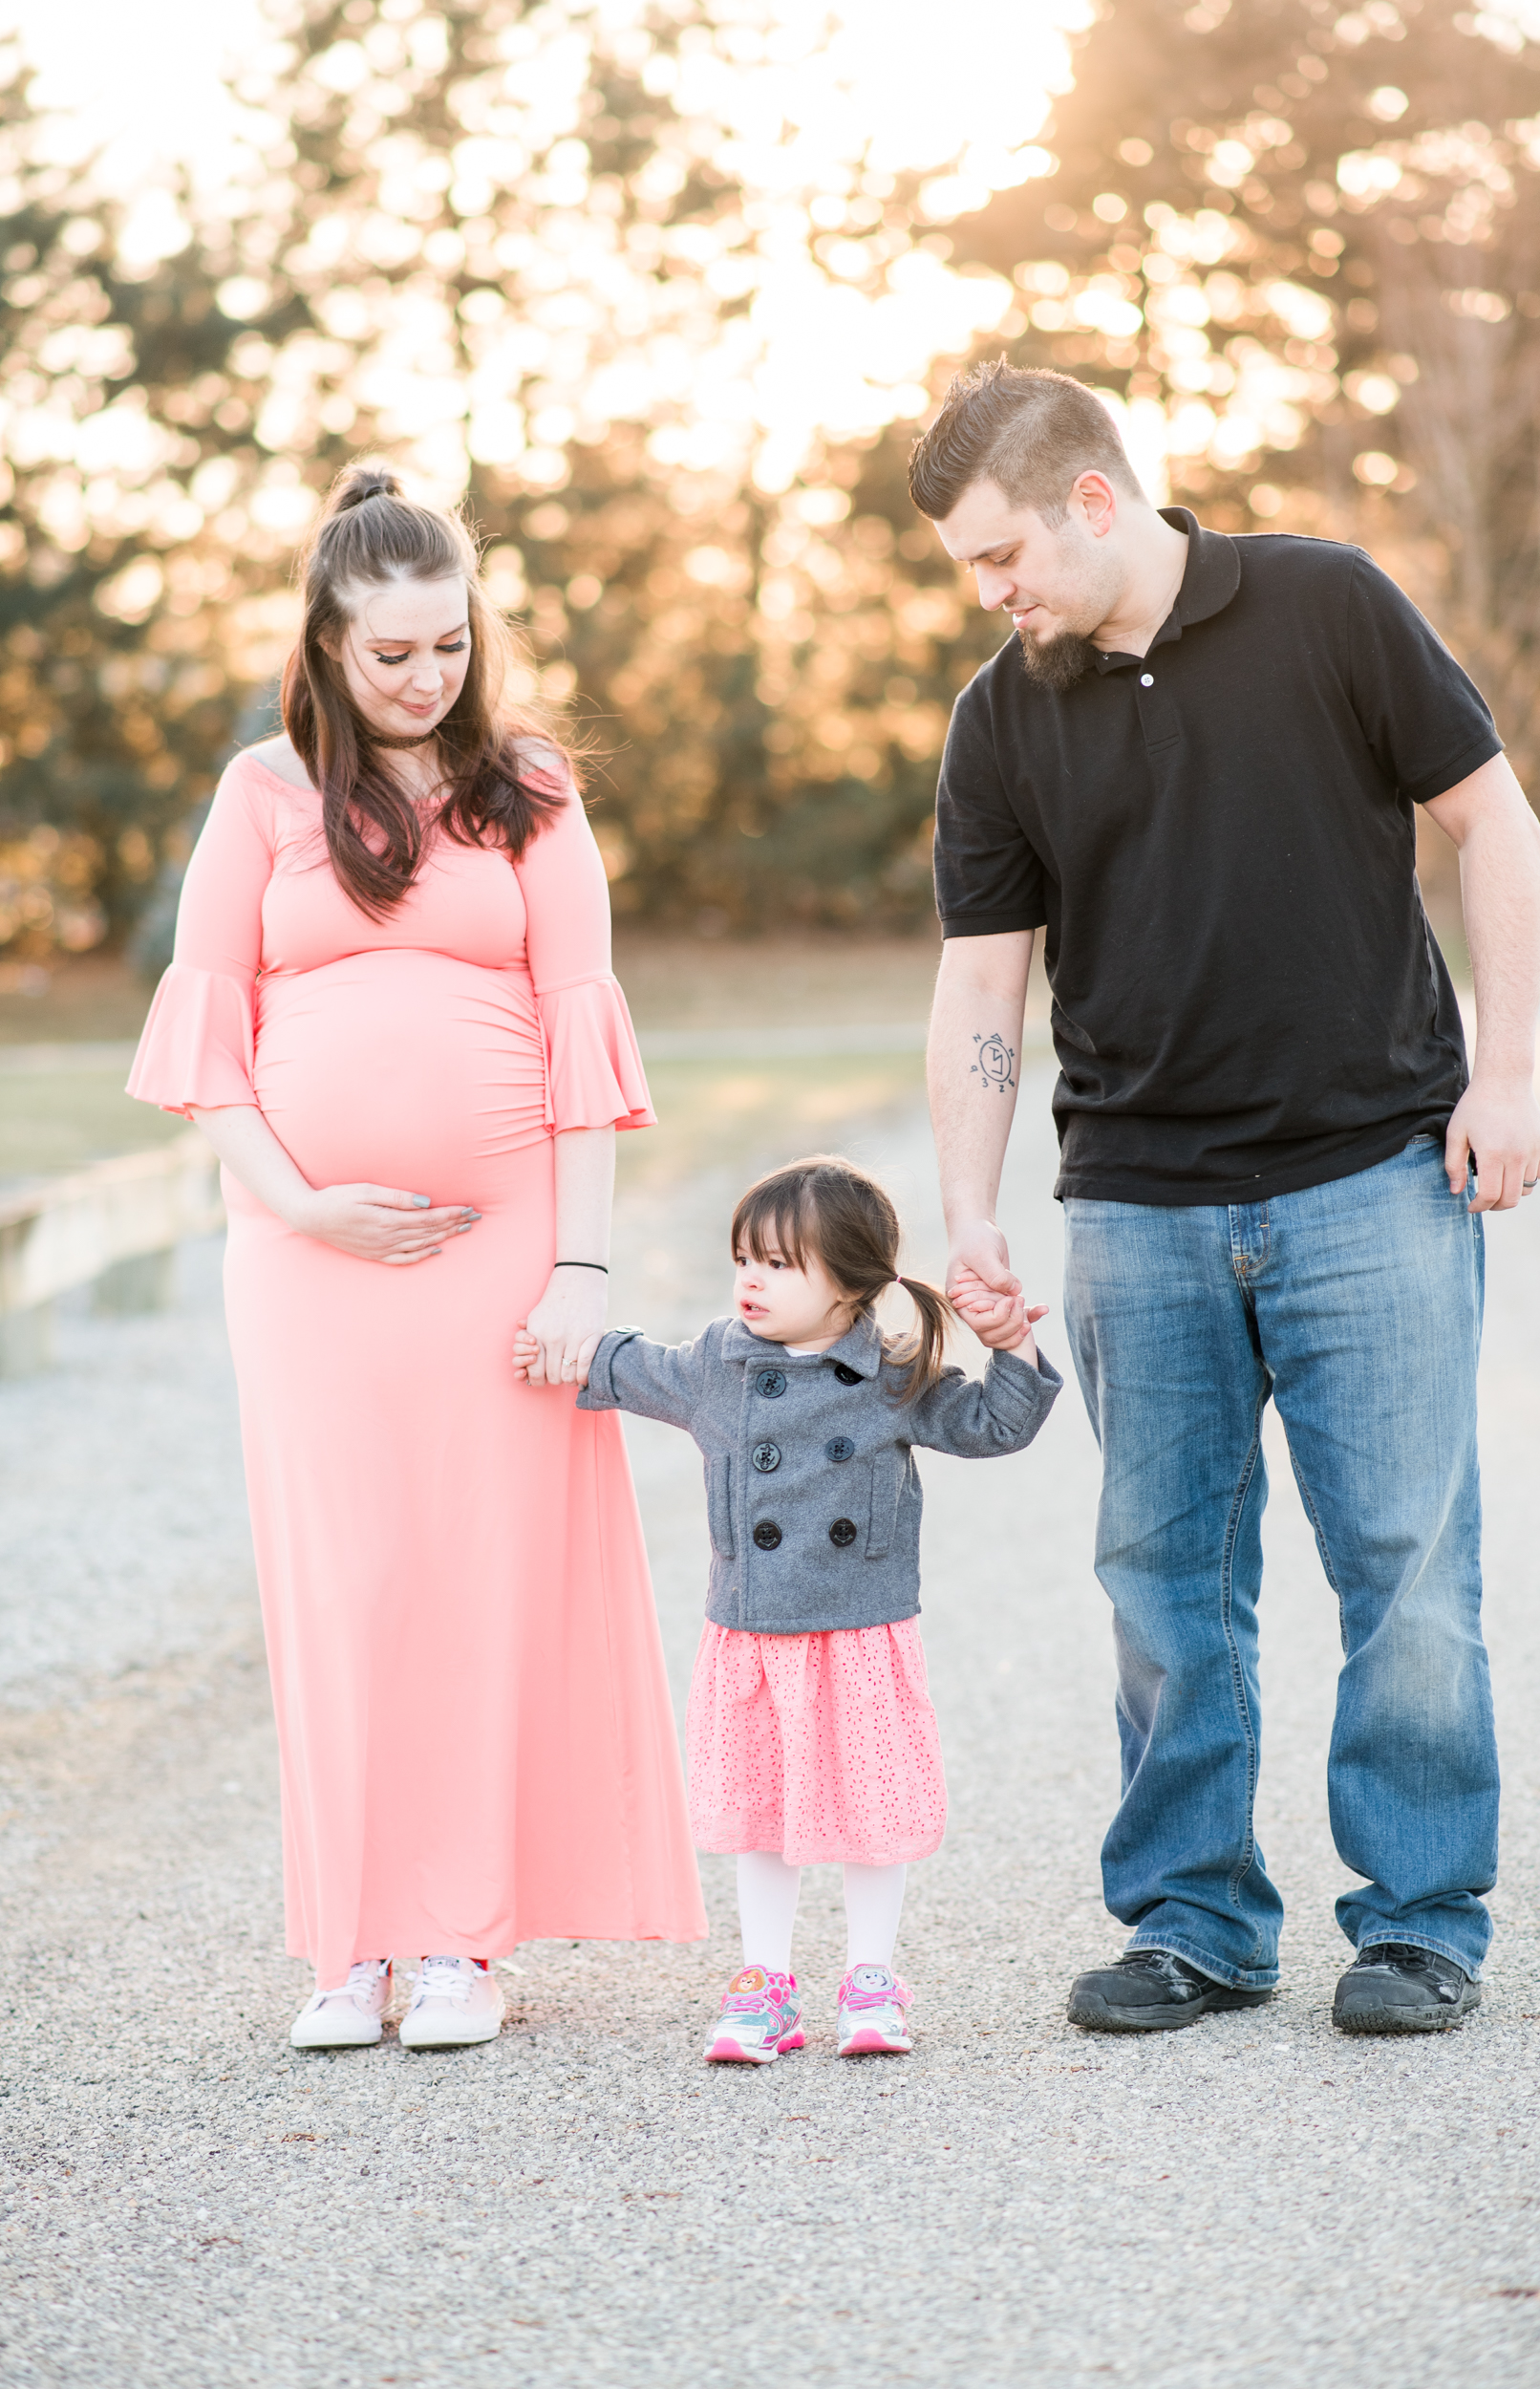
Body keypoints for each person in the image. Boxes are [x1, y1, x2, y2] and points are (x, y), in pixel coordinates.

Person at [910, 360, 1540, 2036]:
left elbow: (1491, 822)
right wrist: (968, 1211)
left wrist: (1503, 1075)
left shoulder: (1324, 605)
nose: (988, 594)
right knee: (1160, 1584)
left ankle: (1418, 1923)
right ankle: (1194, 1921)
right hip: (1136, 1204)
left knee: (1405, 1572)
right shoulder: (1000, 717)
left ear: (1092, 501)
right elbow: (981, 986)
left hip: (1371, 1179)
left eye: (1000, 556)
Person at [127, 462, 705, 2052]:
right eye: (390, 652)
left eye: (449, 645)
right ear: (325, 642)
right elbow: (207, 1043)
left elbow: (582, 1031)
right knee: (345, 1583)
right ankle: (351, 1942)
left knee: (476, 1579)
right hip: (304, 1259)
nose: (424, 676)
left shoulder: (529, 787)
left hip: (499, 1252)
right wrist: (298, 1205)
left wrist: (581, 1271)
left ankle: (459, 1939)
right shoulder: (261, 794)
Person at [515, 1154, 1060, 2061]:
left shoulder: (890, 1377)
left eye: (777, 1264)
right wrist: (554, 1347)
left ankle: (870, 1979)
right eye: (743, 1259)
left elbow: (995, 1426)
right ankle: (764, 1984)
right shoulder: (716, 1367)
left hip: (860, 1632)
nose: (750, 1280)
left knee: (870, 1812)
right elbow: (622, 1365)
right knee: (759, 1814)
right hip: (754, 1633)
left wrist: (1011, 1348)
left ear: (850, 1282)